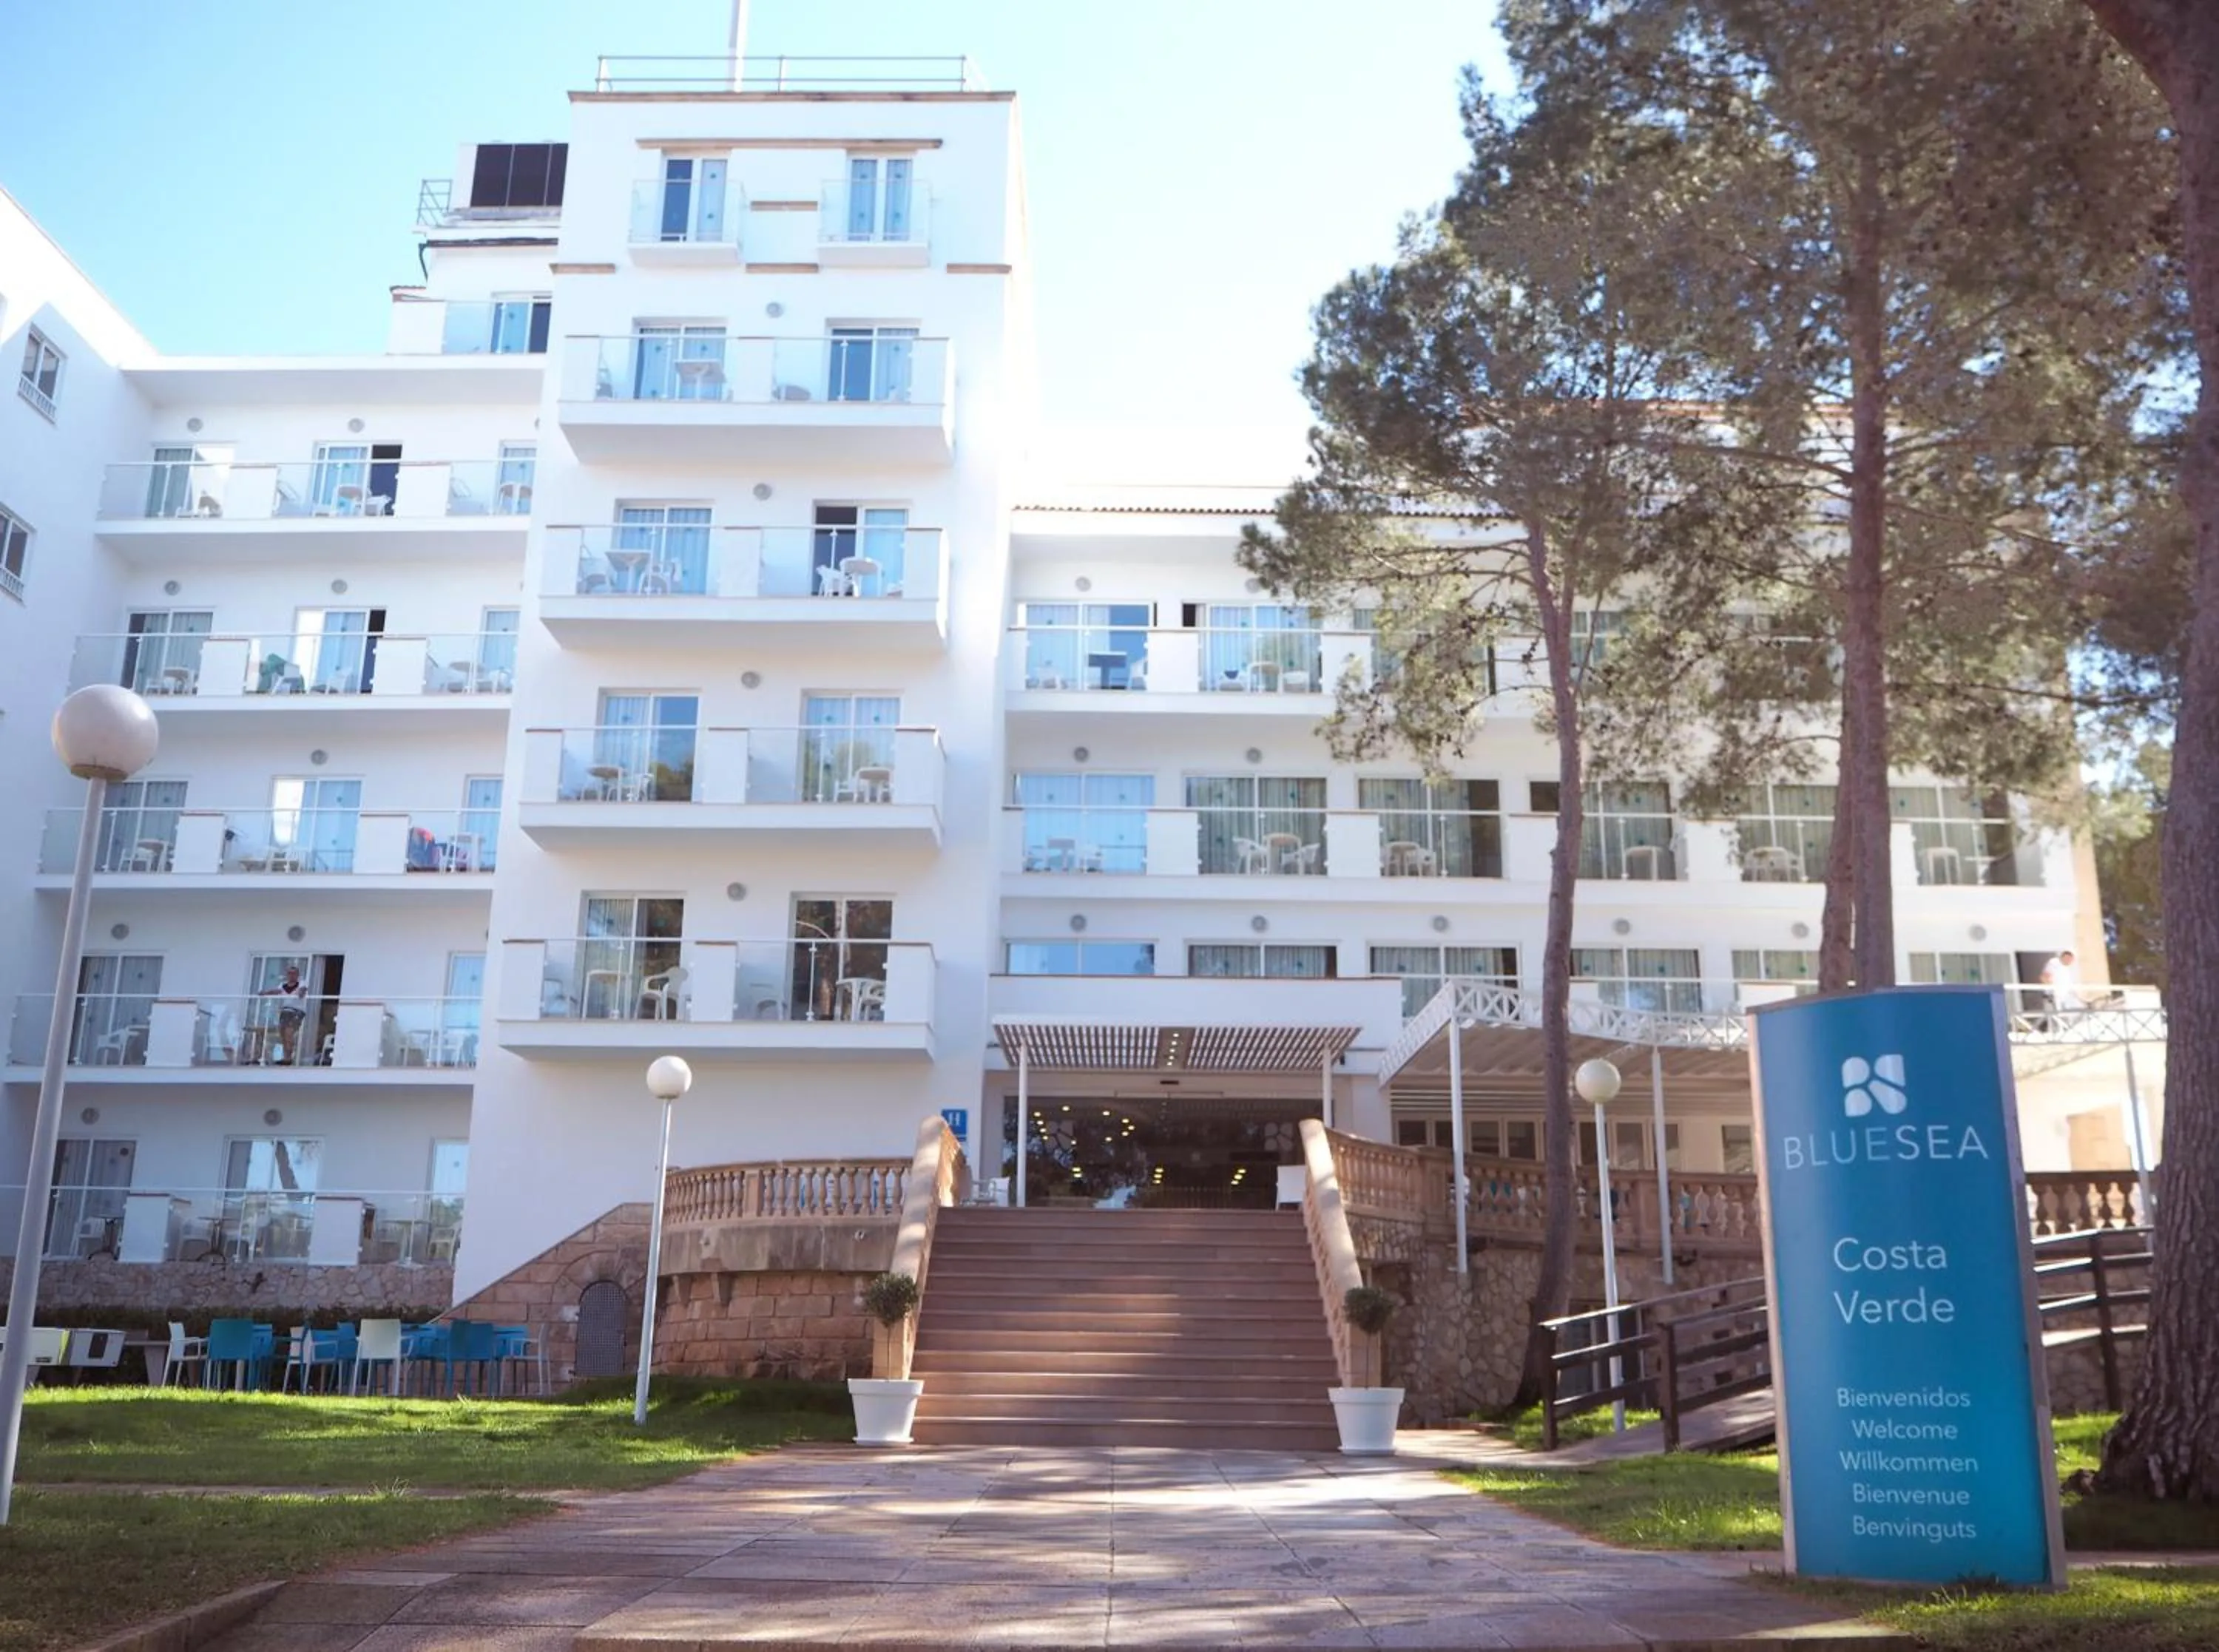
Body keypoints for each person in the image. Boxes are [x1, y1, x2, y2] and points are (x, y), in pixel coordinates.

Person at [261, 964, 310, 1064]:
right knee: (283, 1034)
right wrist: (265, 993)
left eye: (294, 973)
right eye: (289, 973)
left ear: (297, 975)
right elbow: (276, 991)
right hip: (285, 1011)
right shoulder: (283, 985)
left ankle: (289, 1058)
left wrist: (301, 992)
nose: (291, 975)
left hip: (296, 1011)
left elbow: (302, 991)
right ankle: (286, 1057)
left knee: (289, 1033)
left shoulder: (302, 983)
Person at [2039, 949, 2084, 1013]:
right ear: (2064, 957)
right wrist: (2050, 992)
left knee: (2079, 1009)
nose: (2070, 962)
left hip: (2066, 996)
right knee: (2057, 1014)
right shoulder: (2054, 963)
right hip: (2055, 996)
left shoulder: (2067, 968)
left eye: (2071, 960)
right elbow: (2044, 977)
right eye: (2069, 959)